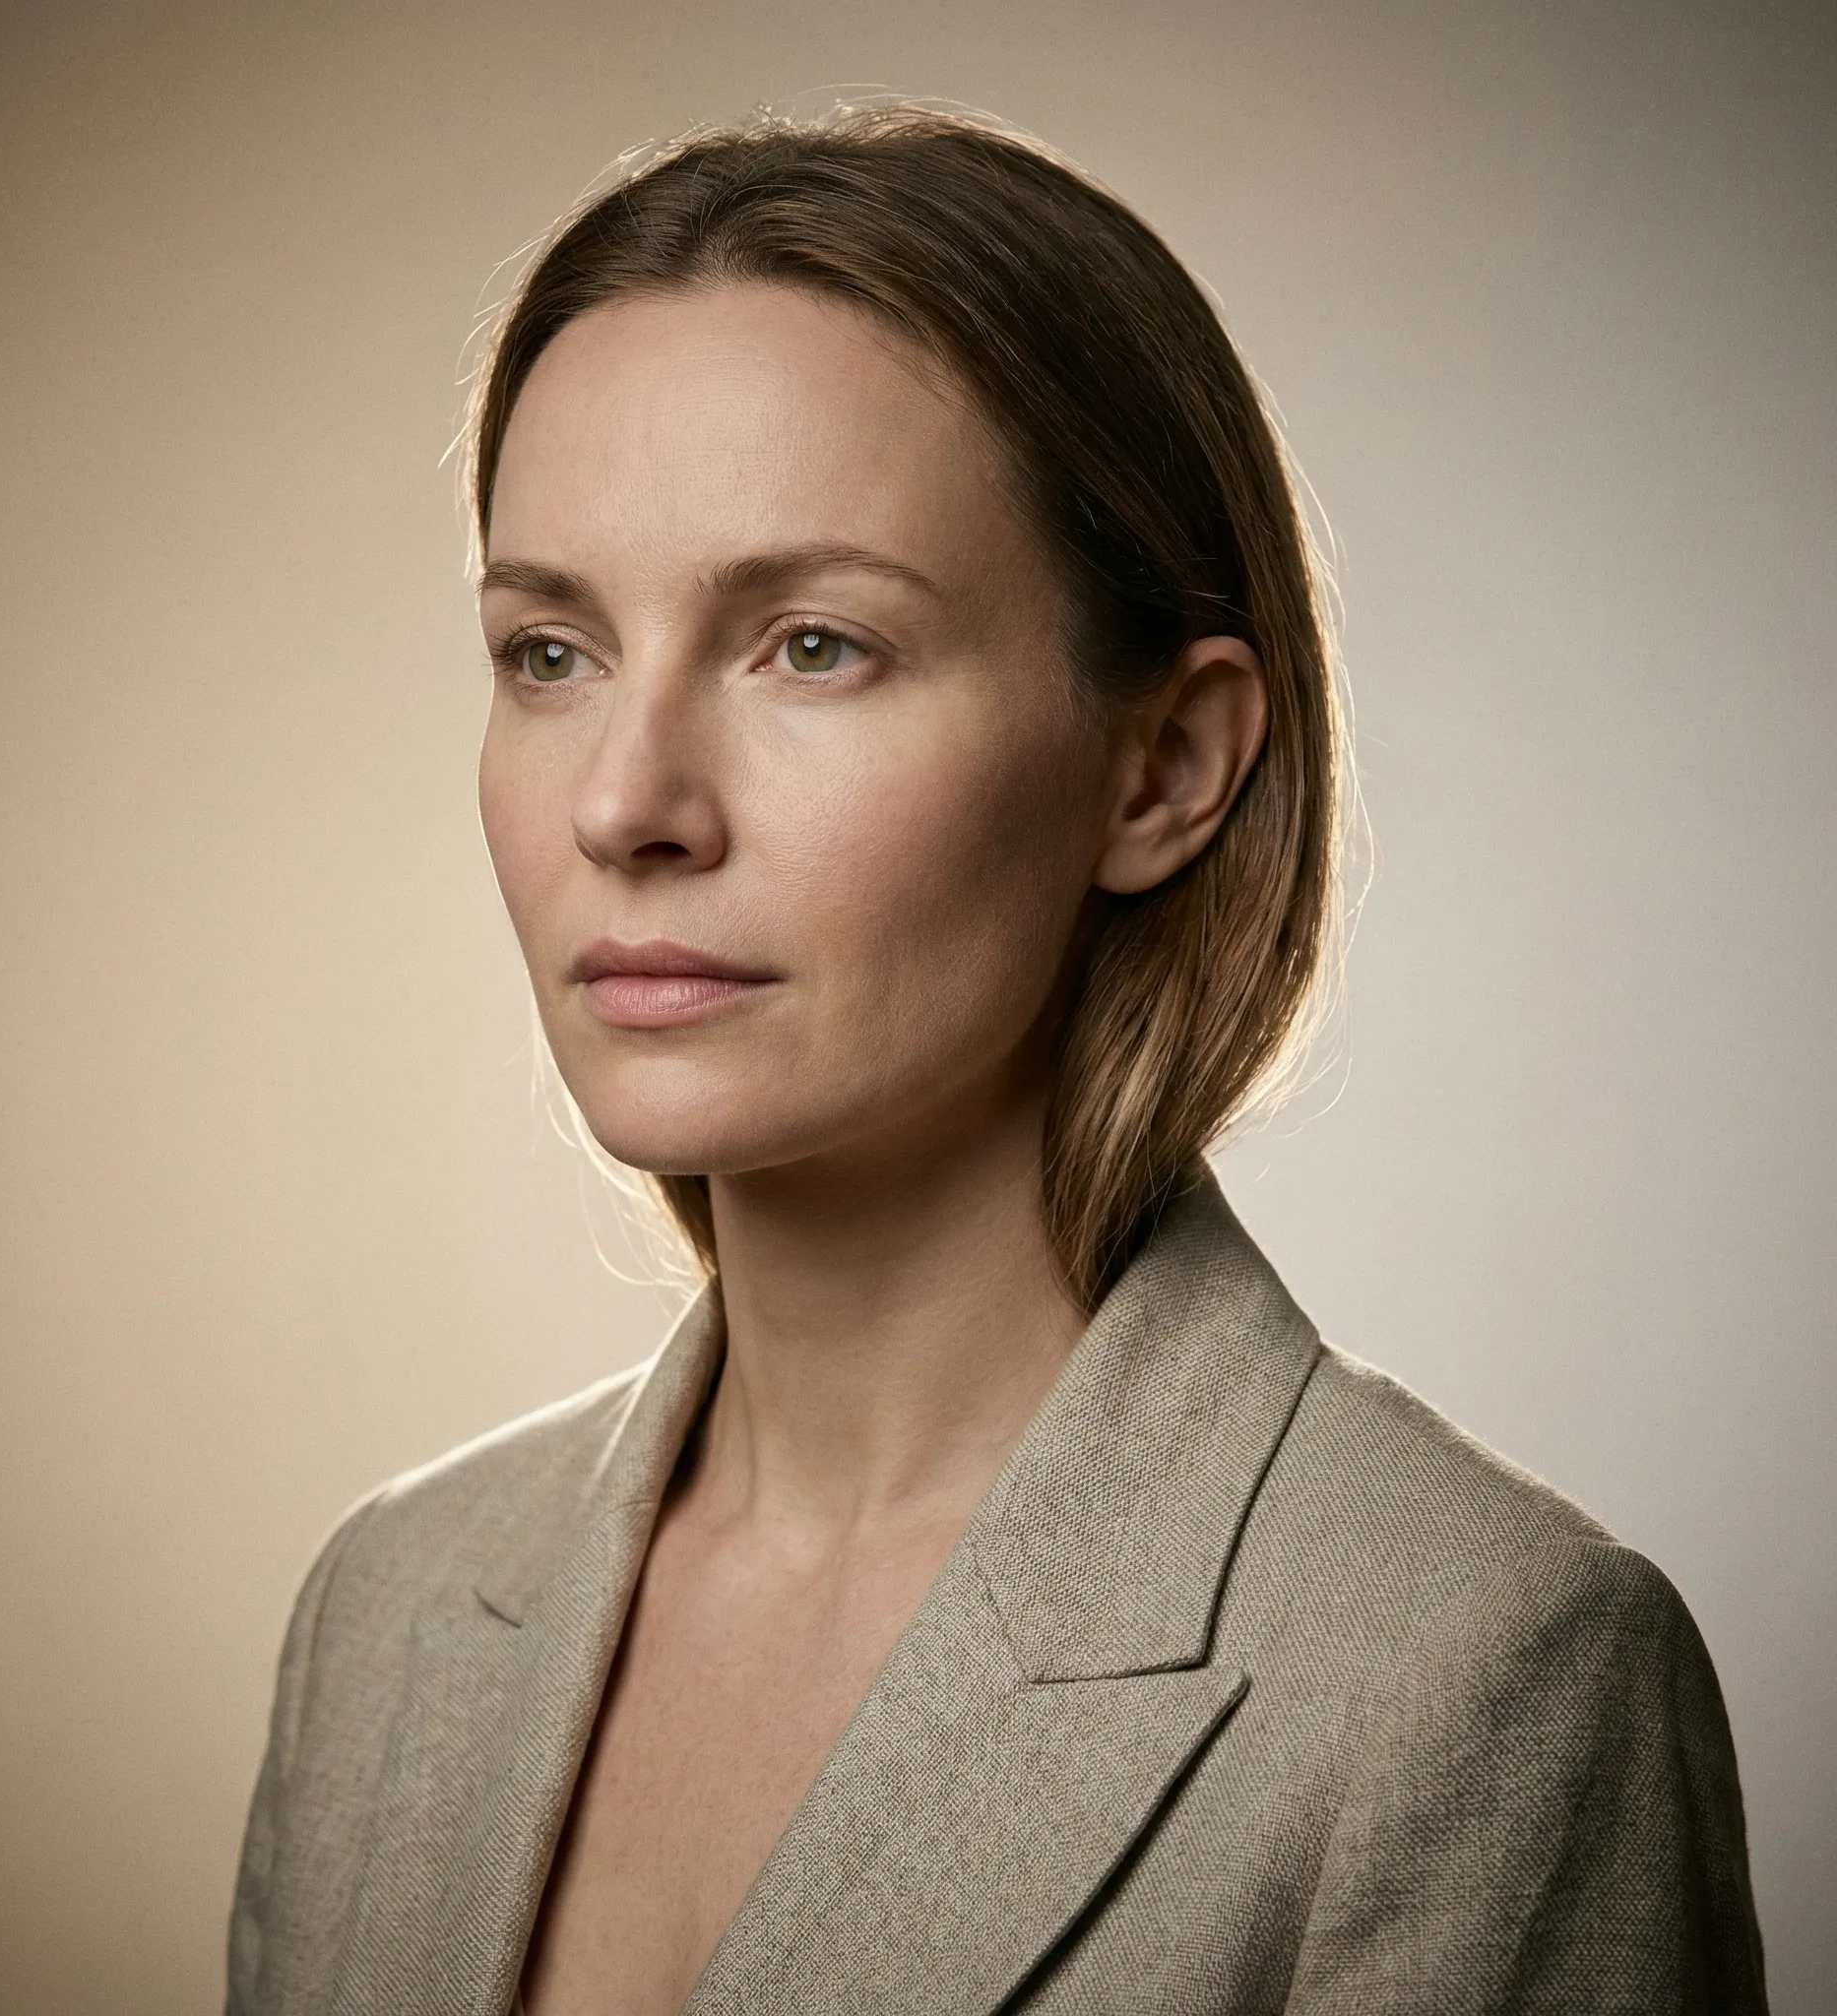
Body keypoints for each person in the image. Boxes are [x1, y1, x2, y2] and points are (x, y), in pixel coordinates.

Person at [225, 106, 1765, 2016]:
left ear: (1163, 765)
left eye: (810, 643)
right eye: (550, 650)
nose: (624, 802)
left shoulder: (1475, 1679)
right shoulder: (387, 1614)